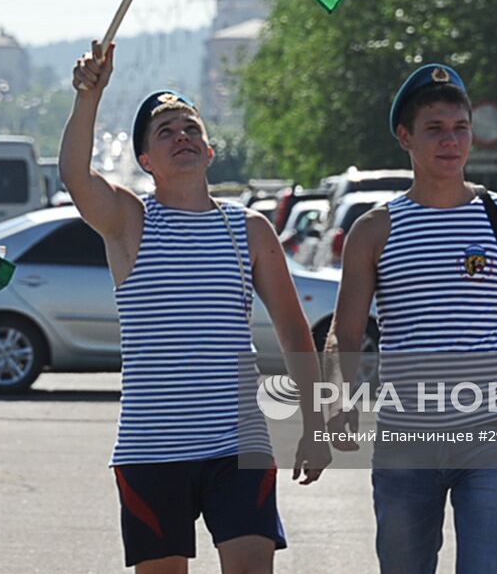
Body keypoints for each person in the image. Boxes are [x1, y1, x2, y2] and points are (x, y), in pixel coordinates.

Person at [58, 41, 329, 574]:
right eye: (166, 132)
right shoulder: (129, 221)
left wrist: (315, 427)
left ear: (208, 151)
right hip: (152, 444)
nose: (181, 137)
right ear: (146, 161)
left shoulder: (247, 228)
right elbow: (74, 175)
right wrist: (89, 96)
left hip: (238, 439)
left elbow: (296, 333)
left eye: (191, 130)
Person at [327, 63, 497, 574]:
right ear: (405, 137)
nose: (451, 142)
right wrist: (338, 404)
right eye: (435, 130)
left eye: (460, 129)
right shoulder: (375, 230)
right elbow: (345, 333)